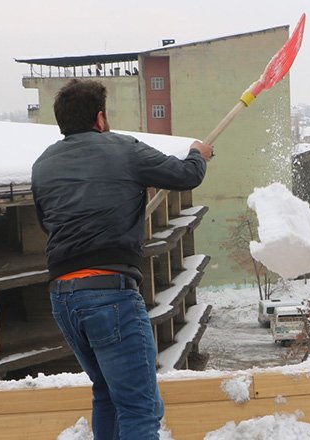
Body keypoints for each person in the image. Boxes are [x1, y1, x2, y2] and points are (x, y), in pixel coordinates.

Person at [31, 79, 213, 439]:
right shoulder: (123, 150)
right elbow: (187, 175)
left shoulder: (43, 165)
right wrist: (198, 153)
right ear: (100, 119)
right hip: (109, 295)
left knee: (108, 395)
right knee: (140, 408)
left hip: (64, 296)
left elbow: (47, 222)